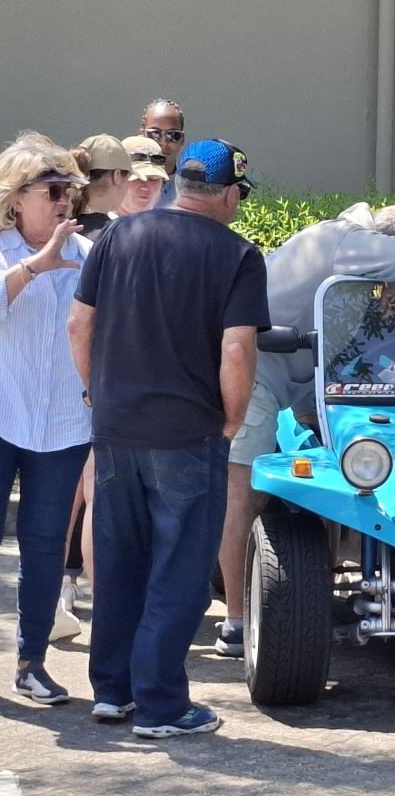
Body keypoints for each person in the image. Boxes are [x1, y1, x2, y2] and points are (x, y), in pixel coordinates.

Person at [67, 139, 269, 737]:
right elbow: (237, 348)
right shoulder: (239, 254)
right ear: (230, 195)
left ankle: (112, 692)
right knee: (178, 572)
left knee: (122, 563)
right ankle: (159, 706)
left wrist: (96, 393)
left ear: (181, 184)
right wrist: (231, 419)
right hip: (187, 433)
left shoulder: (116, 236)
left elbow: (80, 322)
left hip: (115, 429)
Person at [215, 202, 395, 657]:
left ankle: (318, 601)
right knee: (242, 493)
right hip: (257, 371)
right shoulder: (344, 241)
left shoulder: (356, 260)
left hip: (306, 375)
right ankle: (235, 619)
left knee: (335, 476)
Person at [0, 131, 91, 704]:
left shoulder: (88, 257)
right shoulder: (6, 251)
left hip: (63, 427)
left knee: (43, 545)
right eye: (53, 189)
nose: (64, 201)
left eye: (71, 191)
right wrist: (37, 265)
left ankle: (31, 662)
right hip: (3, 419)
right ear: (16, 200)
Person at [51, 135, 134, 642]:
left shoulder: (63, 233)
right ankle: (104, 609)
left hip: (58, 380)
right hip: (94, 380)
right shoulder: (111, 240)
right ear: (118, 179)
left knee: (66, 496)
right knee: (95, 493)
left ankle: (59, 598)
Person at [140, 98, 185, 207]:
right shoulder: (124, 184)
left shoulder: (191, 189)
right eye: (155, 134)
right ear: (142, 135)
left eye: (173, 135)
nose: (163, 142)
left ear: (182, 139)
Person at [117, 136, 169, 215]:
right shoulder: (95, 224)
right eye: (137, 178)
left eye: (153, 179)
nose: (145, 187)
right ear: (115, 178)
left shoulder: (170, 225)